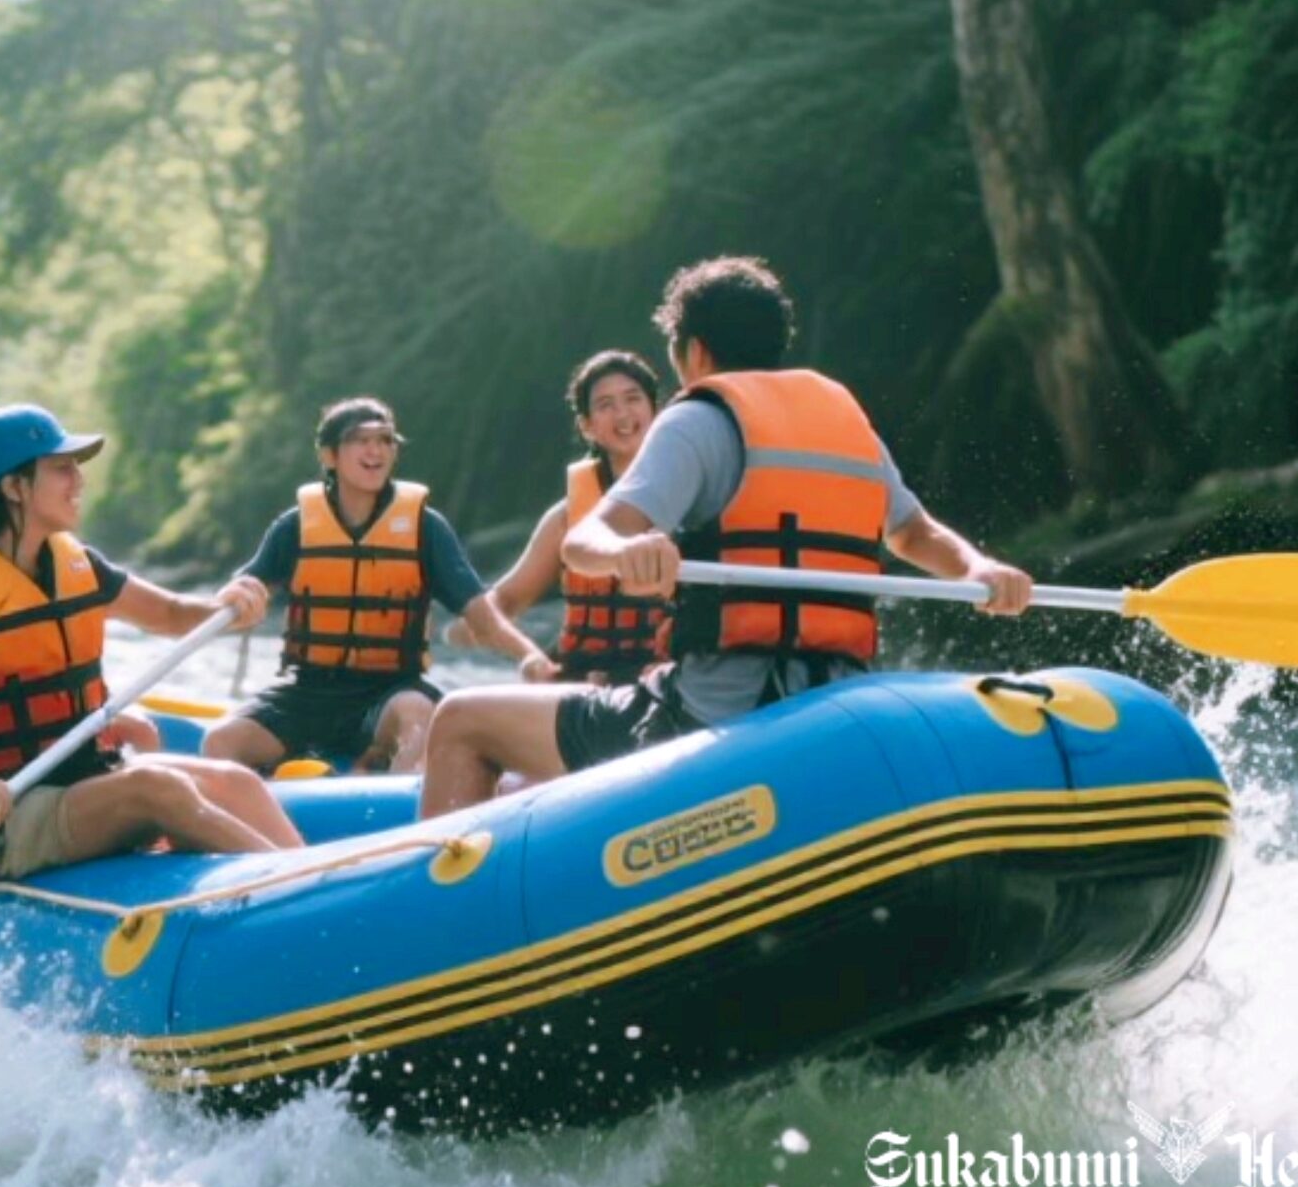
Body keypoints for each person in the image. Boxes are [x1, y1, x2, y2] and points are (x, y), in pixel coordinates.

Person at [419, 257, 1033, 816]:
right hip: (840, 700)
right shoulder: (848, 426)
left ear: (694, 352)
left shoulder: (695, 420)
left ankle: (439, 925)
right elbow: (915, 533)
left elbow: (587, 540)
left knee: (460, 717)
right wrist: (978, 569)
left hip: (707, 714)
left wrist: (624, 549)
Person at [0, 405, 307, 880]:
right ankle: (292, 887)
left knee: (237, 783)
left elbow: (170, 614)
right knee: (156, 786)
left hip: (82, 778)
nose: (77, 481)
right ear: (14, 487)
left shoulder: (74, 563)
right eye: (61, 469)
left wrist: (226, 607)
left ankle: (314, 880)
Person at [202, 397, 555, 776]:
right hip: (309, 693)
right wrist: (235, 593)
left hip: (389, 693)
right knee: (221, 741)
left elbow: (482, 617)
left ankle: (401, 812)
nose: (376, 450)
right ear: (329, 456)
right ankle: (267, 813)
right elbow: (247, 588)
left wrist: (530, 657)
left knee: (418, 716)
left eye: (386, 440)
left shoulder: (425, 528)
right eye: (360, 440)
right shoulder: (295, 526)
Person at [459, 349, 673, 686]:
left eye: (633, 399)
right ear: (587, 426)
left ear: (656, 412)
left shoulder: (692, 499)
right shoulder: (568, 517)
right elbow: (507, 599)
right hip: (581, 677)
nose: (622, 414)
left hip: (661, 678)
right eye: (605, 405)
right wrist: (527, 654)